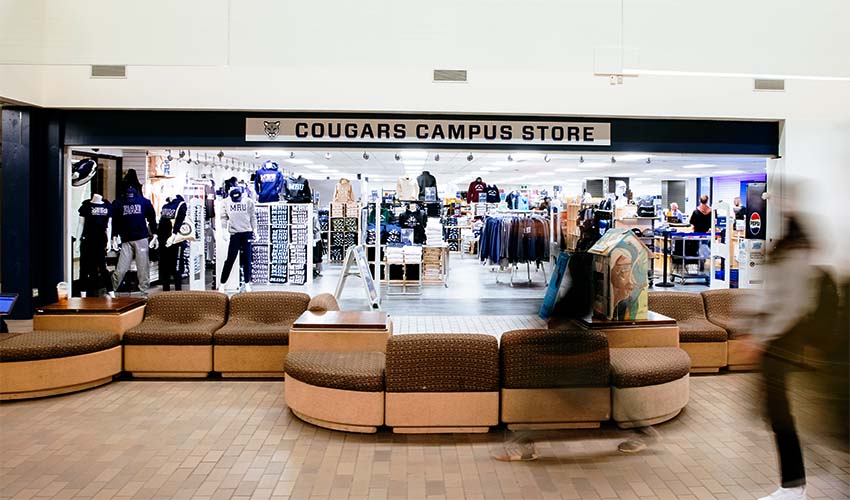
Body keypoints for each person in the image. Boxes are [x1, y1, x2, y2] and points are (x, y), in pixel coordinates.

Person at [742, 213, 833, 500]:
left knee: (780, 416)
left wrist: (761, 337)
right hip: (779, 344)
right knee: (776, 413)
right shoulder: (795, 258)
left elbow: (789, 307)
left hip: (780, 345)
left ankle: (794, 486)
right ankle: (793, 484)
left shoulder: (793, 260)